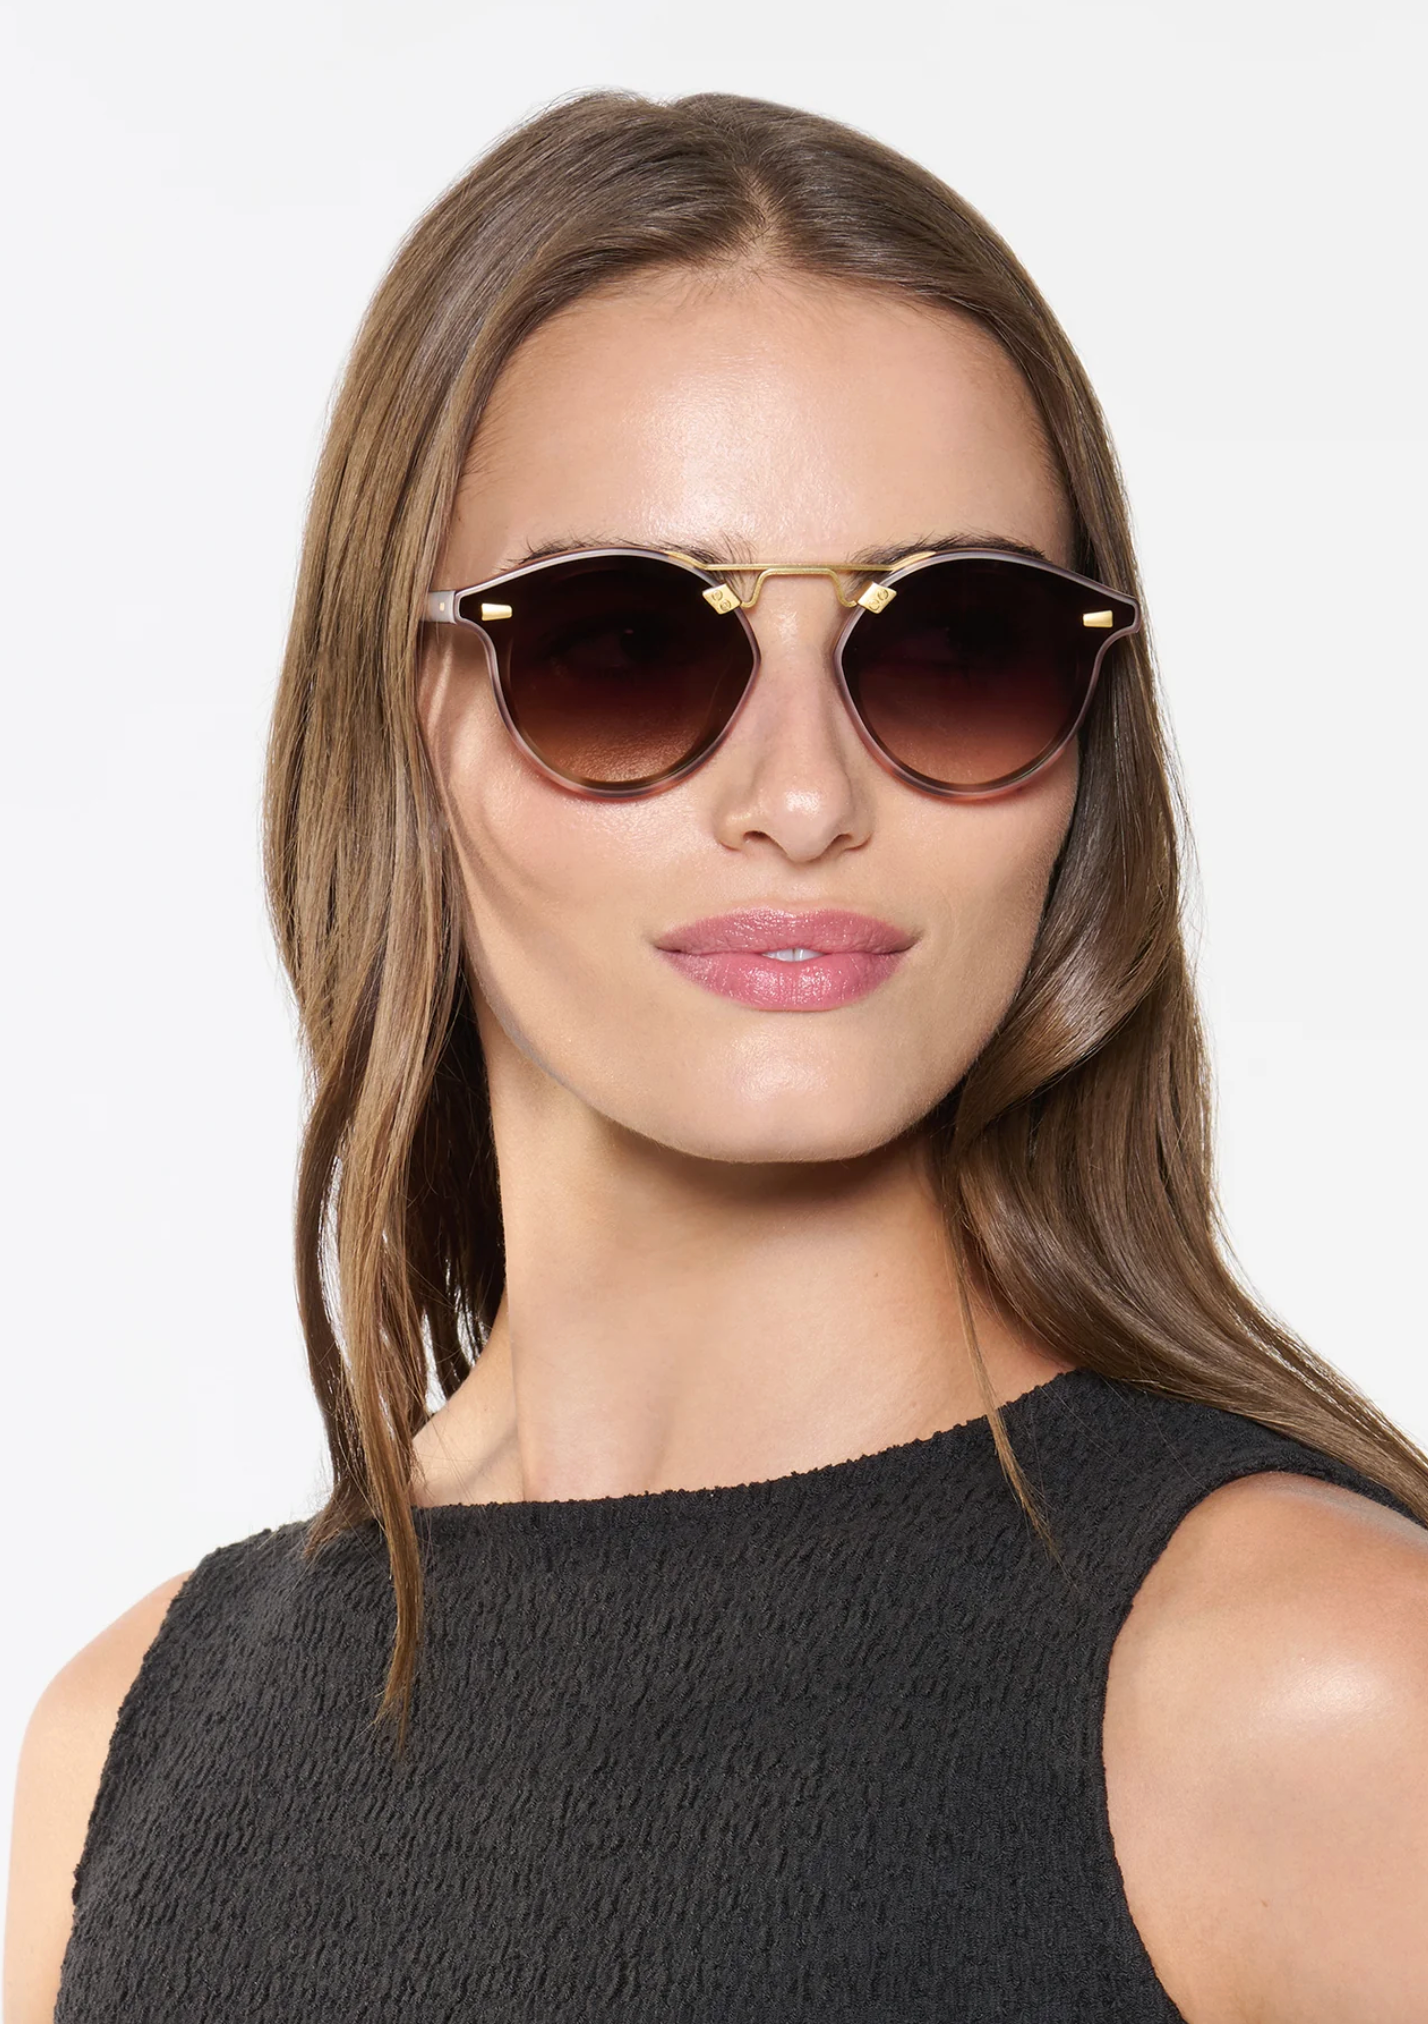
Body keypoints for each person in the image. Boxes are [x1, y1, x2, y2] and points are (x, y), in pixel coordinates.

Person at [7, 88, 1428, 2024]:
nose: (805, 796)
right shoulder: (128, 1746)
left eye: (960, 644)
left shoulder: (1318, 1694)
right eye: (624, 646)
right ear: (401, 719)